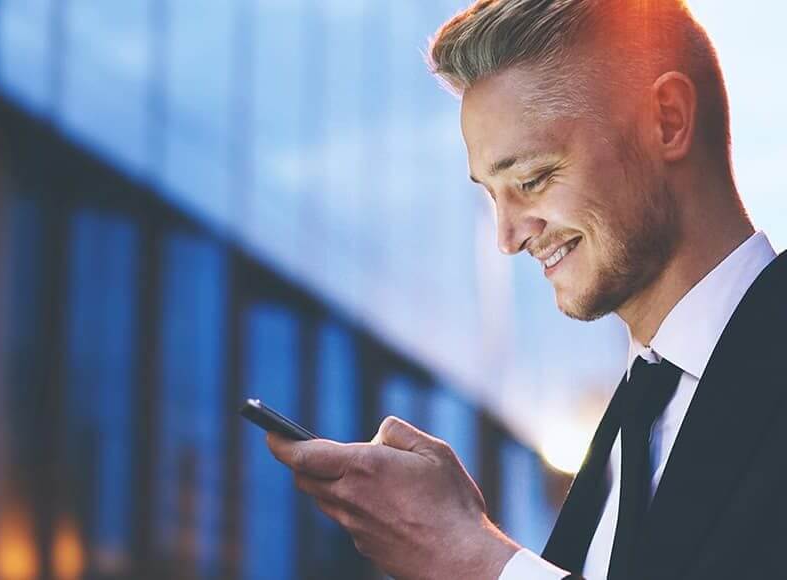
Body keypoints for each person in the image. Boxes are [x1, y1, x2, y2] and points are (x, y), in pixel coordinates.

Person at [266, 0, 787, 578]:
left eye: (532, 179)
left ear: (667, 119)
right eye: (492, 196)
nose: (508, 239)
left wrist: (475, 558)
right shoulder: (627, 425)